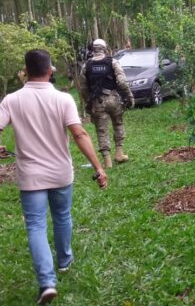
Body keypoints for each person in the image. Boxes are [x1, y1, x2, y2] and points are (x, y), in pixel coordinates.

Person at [0, 49, 108, 304]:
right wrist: (98, 167)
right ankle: (64, 261)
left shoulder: (11, 100)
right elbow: (80, 134)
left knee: (36, 225)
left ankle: (46, 282)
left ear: (25, 72)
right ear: (50, 71)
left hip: (30, 177)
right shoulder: (64, 99)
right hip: (60, 173)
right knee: (62, 216)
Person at [78, 38, 134, 168]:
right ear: (105, 48)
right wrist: (129, 96)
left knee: (101, 130)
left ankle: (107, 161)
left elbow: (83, 88)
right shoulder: (113, 62)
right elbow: (122, 82)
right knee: (118, 124)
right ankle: (119, 154)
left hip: (97, 102)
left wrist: (89, 102)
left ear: (93, 49)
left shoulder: (86, 66)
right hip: (113, 99)